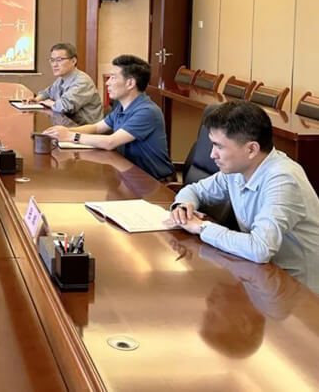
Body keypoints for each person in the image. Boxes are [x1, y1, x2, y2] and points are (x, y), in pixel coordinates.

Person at [169, 101, 319, 294]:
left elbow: (260, 248)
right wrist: (182, 206)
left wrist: (202, 227)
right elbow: (195, 190)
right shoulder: (237, 170)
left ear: (251, 149)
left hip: (299, 293)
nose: (212, 154)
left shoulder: (283, 179)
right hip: (261, 277)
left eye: (219, 146)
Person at [43, 54, 174, 180]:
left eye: (113, 77)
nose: (107, 83)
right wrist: (62, 132)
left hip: (152, 181)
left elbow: (110, 142)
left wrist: (71, 136)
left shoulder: (147, 111)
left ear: (130, 83)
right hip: (128, 175)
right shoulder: (122, 107)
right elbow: (96, 128)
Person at [32, 43, 103, 126]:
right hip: (68, 125)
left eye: (59, 60)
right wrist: (36, 99)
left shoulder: (82, 81)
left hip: (85, 129)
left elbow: (64, 106)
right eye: (52, 60)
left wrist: (50, 103)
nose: (54, 65)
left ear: (73, 61)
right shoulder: (62, 78)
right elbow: (48, 93)